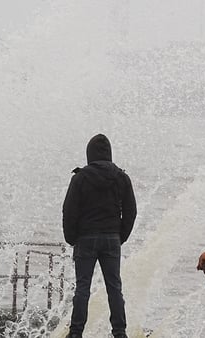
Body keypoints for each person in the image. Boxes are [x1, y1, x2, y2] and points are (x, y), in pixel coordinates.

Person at [62, 134, 137, 338]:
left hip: (85, 239)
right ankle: (120, 332)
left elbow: (69, 210)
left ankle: (76, 333)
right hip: (111, 238)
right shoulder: (121, 177)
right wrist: (119, 236)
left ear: (89, 154)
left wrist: (71, 238)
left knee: (82, 287)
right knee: (114, 287)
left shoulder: (80, 178)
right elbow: (131, 211)